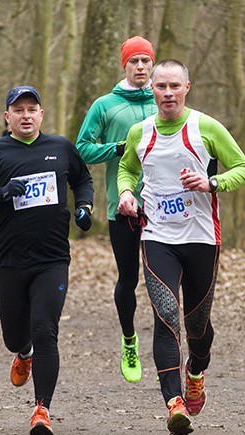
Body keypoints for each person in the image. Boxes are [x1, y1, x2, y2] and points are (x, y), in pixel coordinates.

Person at [117, 59, 245, 435]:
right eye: (160, 87)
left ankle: (196, 370)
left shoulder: (205, 127)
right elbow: (126, 168)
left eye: (174, 86)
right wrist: (127, 192)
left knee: (197, 326)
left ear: (187, 88)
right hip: (157, 236)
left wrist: (210, 183)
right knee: (165, 314)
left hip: (201, 238)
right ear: (152, 91)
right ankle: (174, 403)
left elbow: (244, 169)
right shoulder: (139, 132)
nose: (167, 94)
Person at [0, 86, 94, 435]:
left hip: (52, 259)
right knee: (15, 336)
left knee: (45, 330)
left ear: (41, 114)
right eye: (17, 109)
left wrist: (84, 207)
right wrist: (4, 192)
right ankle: (22, 353)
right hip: (10, 261)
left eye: (31, 109)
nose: (25, 115)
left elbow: (83, 179)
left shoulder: (60, 148)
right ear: (7, 117)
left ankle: (42, 410)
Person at [76, 36, 157, 384]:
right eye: (134, 61)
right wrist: (119, 148)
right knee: (129, 278)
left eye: (146, 61)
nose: (140, 67)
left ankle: (167, 343)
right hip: (120, 206)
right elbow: (82, 148)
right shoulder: (105, 106)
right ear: (124, 65)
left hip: (162, 206)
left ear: (153, 65)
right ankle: (129, 340)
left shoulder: (166, 100)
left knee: (162, 279)